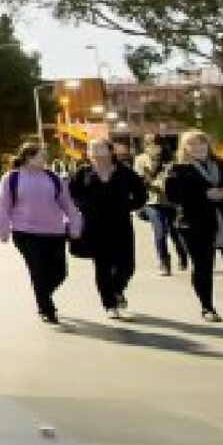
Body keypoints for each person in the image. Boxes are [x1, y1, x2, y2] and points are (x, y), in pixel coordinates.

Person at [164, 129, 223, 323]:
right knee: (203, 267)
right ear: (185, 148)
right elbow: (172, 195)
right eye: (192, 144)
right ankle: (207, 307)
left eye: (201, 143)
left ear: (208, 145)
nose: (198, 148)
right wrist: (204, 195)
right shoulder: (178, 169)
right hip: (196, 223)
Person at [0, 139, 84, 325]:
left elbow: (68, 205)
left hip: (55, 232)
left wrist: (75, 225)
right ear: (28, 157)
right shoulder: (12, 178)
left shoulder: (53, 178)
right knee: (38, 271)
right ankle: (46, 308)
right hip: (26, 233)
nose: (45, 158)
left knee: (60, 273)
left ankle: (43, 295)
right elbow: (3, 207)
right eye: (41, 155)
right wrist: (3, 230)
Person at [70, 136, 150, 319]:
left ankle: (117, 289)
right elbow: (71, 196)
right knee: (102, 266)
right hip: (94, 226)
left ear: (110, 150)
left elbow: (140, 194)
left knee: (127, 265)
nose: (96, 151)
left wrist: (129, 206)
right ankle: (110, 304)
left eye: (100, 147)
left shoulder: (124, 172)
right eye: (92, 148)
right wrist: (82, 208)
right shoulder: (82, 173)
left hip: (120, 224)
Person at [135, 146, 178, 275]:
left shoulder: (170, 164)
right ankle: (164, 262)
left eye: (157, 148)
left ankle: (182, 254)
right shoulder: (141, 162)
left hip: (169, 203)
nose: (154, 152)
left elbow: (173, 184)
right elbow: (138, 183)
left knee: (175, 233)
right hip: (151, 204)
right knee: (160, 231)